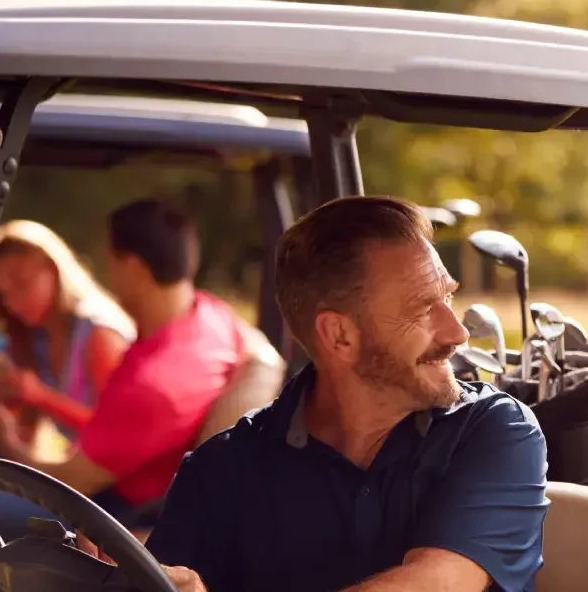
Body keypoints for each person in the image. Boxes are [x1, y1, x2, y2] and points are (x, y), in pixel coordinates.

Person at [143, 196, 549, 592]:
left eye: (447, 297)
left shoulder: (496, 430)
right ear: (339, 336)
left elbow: (435, 583)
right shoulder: (219, 471)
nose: (457, 333)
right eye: (422, 309)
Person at [0, 199, 282, 592]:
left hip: (113, 511)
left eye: (111, 258)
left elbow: (71, 480)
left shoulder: (152, 383)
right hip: (123, 486)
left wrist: (4, 431)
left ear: (131, 267)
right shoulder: (208, 315)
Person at [0, 219, 134, 446]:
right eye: (5, 294)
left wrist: (42, 397)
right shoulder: (38, 337)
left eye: (22, 284)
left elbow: (119, 433)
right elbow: (26, 439)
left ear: (54, 269)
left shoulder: (99, 334)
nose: (14, 302)